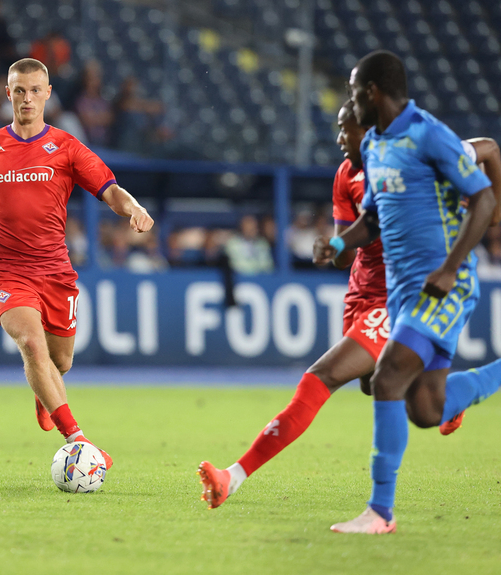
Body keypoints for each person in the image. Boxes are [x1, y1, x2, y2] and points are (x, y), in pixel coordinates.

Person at [198, 99, 501, 515]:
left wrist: (494, 208)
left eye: (347, 129)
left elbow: (487, 148)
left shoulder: (416, 154)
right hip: (361, 293)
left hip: (398, 293)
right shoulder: (347, 174)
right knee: (397, 394)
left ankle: (233, 476)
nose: (340, 138)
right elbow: (349, 245)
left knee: (322, 377)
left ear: (371, 128)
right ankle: (450, 398)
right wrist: (335, 246)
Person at [0, 58, 154, 469]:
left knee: (61, 362)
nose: (27, 98)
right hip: (4, 269)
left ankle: (45, 395)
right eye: (19, 90)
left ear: (48, 94)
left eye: (35, 90)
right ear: (8, 94)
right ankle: (79, 440)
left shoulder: (67, 148)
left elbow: (110, 191)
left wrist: (135, 208)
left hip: (54, 271)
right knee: (31, 345)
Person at [324, 50, 500, 533]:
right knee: (427, 409)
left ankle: (380, 512)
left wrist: (451, 267)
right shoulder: (377, 145)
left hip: (445, 285)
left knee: (386, 378)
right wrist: (339, 242)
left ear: (372, 93)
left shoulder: (429, 134)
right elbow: (374, 220)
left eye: (354, 92)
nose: (350, 103)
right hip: (404, 290)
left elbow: (483, 196)